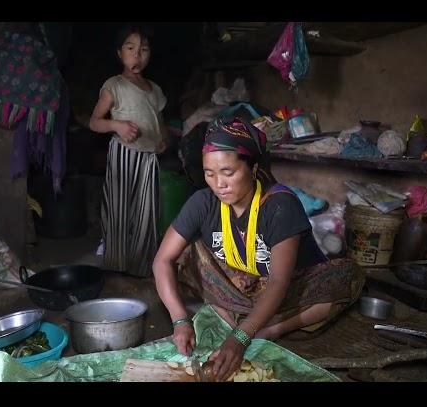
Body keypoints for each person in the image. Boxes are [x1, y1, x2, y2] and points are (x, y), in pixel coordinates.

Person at [153, 117, 365, 382]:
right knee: (186, 253)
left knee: (347, 276)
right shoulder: (203, 203)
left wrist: (241, 338)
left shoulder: (279, 205)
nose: (219, 184)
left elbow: (278, 282)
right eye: (210, 173)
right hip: (239, 287)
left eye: (228, 172)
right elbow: (162, 260)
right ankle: (242, 316)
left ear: (252, 167)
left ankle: (268, 329)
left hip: (291, 291)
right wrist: (180, 319)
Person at [89, 25, 169, 277]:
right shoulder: (115, 85)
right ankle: (115, 267)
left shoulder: (155, 90)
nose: (138, 55)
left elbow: (160, 123)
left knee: (147, 212)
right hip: (123, 154)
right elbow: (94, 122)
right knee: (119, 210)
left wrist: (163, 138)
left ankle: (140, 269)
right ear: (119, 53)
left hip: (148, 158)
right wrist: (117, 125)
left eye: (143, 50)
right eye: (131, 48)